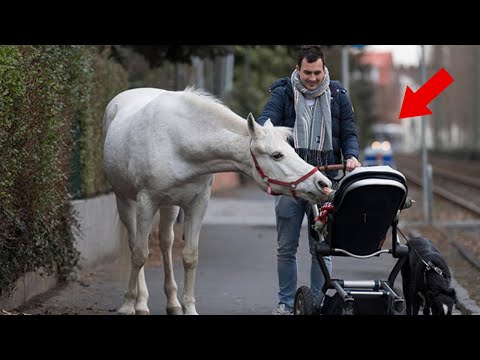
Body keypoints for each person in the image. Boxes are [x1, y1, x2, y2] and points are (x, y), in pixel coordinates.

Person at [256, 45, 362, 315]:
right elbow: (265, 124)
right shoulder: (282, 93)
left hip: (325, 183)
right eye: (307, 73)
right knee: (286, 248)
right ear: (297, 70)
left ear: (325, 69)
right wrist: (267, 134)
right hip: (291, 185)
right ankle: (286, 304)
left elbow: (349, 131)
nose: (312, 78)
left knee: (322, 249)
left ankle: (318, 304)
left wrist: (350, 155)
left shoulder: (337, 95)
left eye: (317, 72)